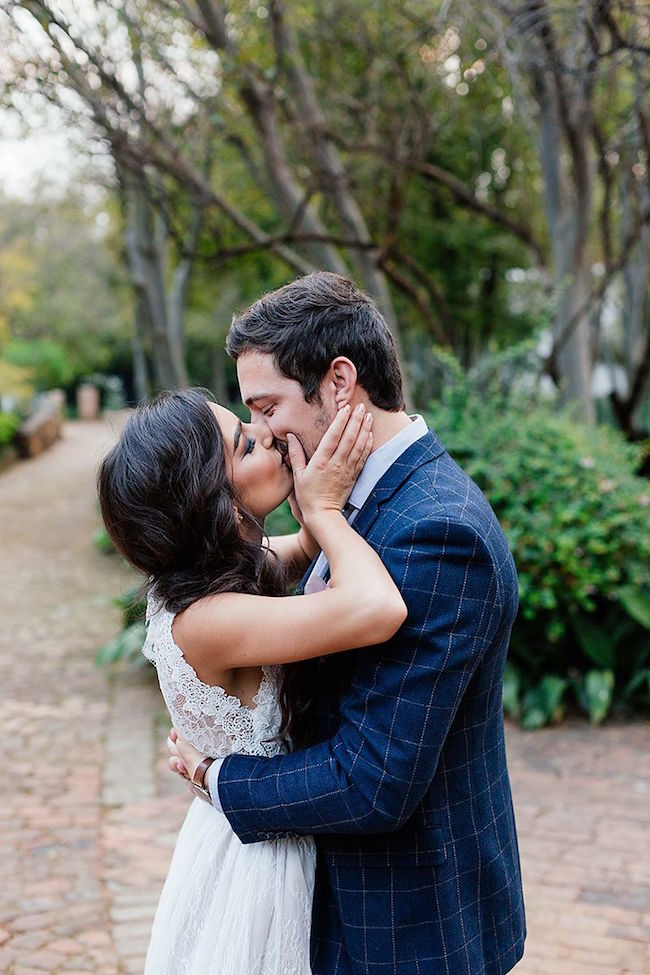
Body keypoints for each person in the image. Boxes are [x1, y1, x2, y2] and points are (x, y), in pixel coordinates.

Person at [168, 271, 526, 975]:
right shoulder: (337, 499)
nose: (264, 434)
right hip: (330, 908)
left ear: (339, 381)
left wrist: (220, 778)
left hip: (405, 925)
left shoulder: (437, 531)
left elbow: (372, 781)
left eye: (267, 407)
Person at [98, 388, 406, 975]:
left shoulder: (214, 578)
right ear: (215, 505)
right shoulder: (212, 619)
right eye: (246, 444)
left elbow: (306, 552)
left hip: (246, 822)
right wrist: (324, 511)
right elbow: (377, 607)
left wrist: (316, 499)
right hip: (261, 856)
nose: (265, 433)